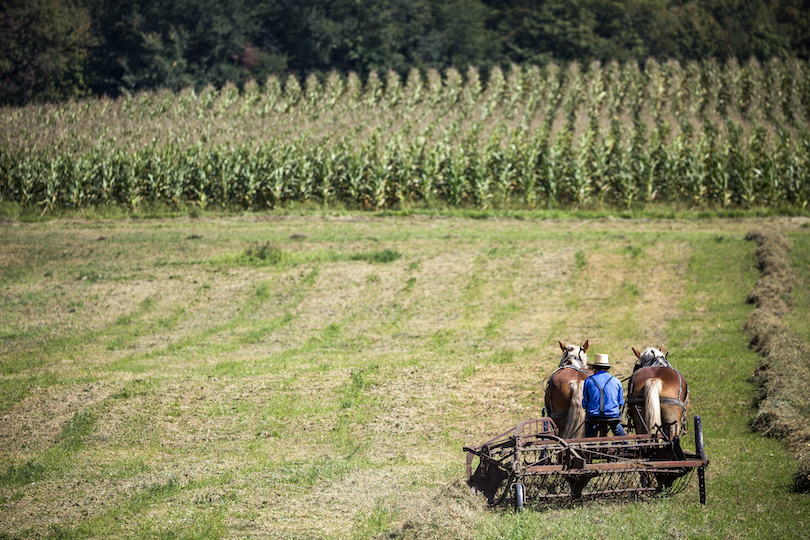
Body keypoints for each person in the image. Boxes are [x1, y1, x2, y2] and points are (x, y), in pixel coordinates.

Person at [582, 354, 627, 437]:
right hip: (612, 416)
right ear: (607, 368)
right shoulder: (616, 381)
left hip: (593, 416)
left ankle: (591, 443)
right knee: (617, 429)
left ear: (595, 368)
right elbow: (620, 404)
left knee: (589, 429)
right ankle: (626, 446)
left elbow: (584, 403)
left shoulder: (588, 381)